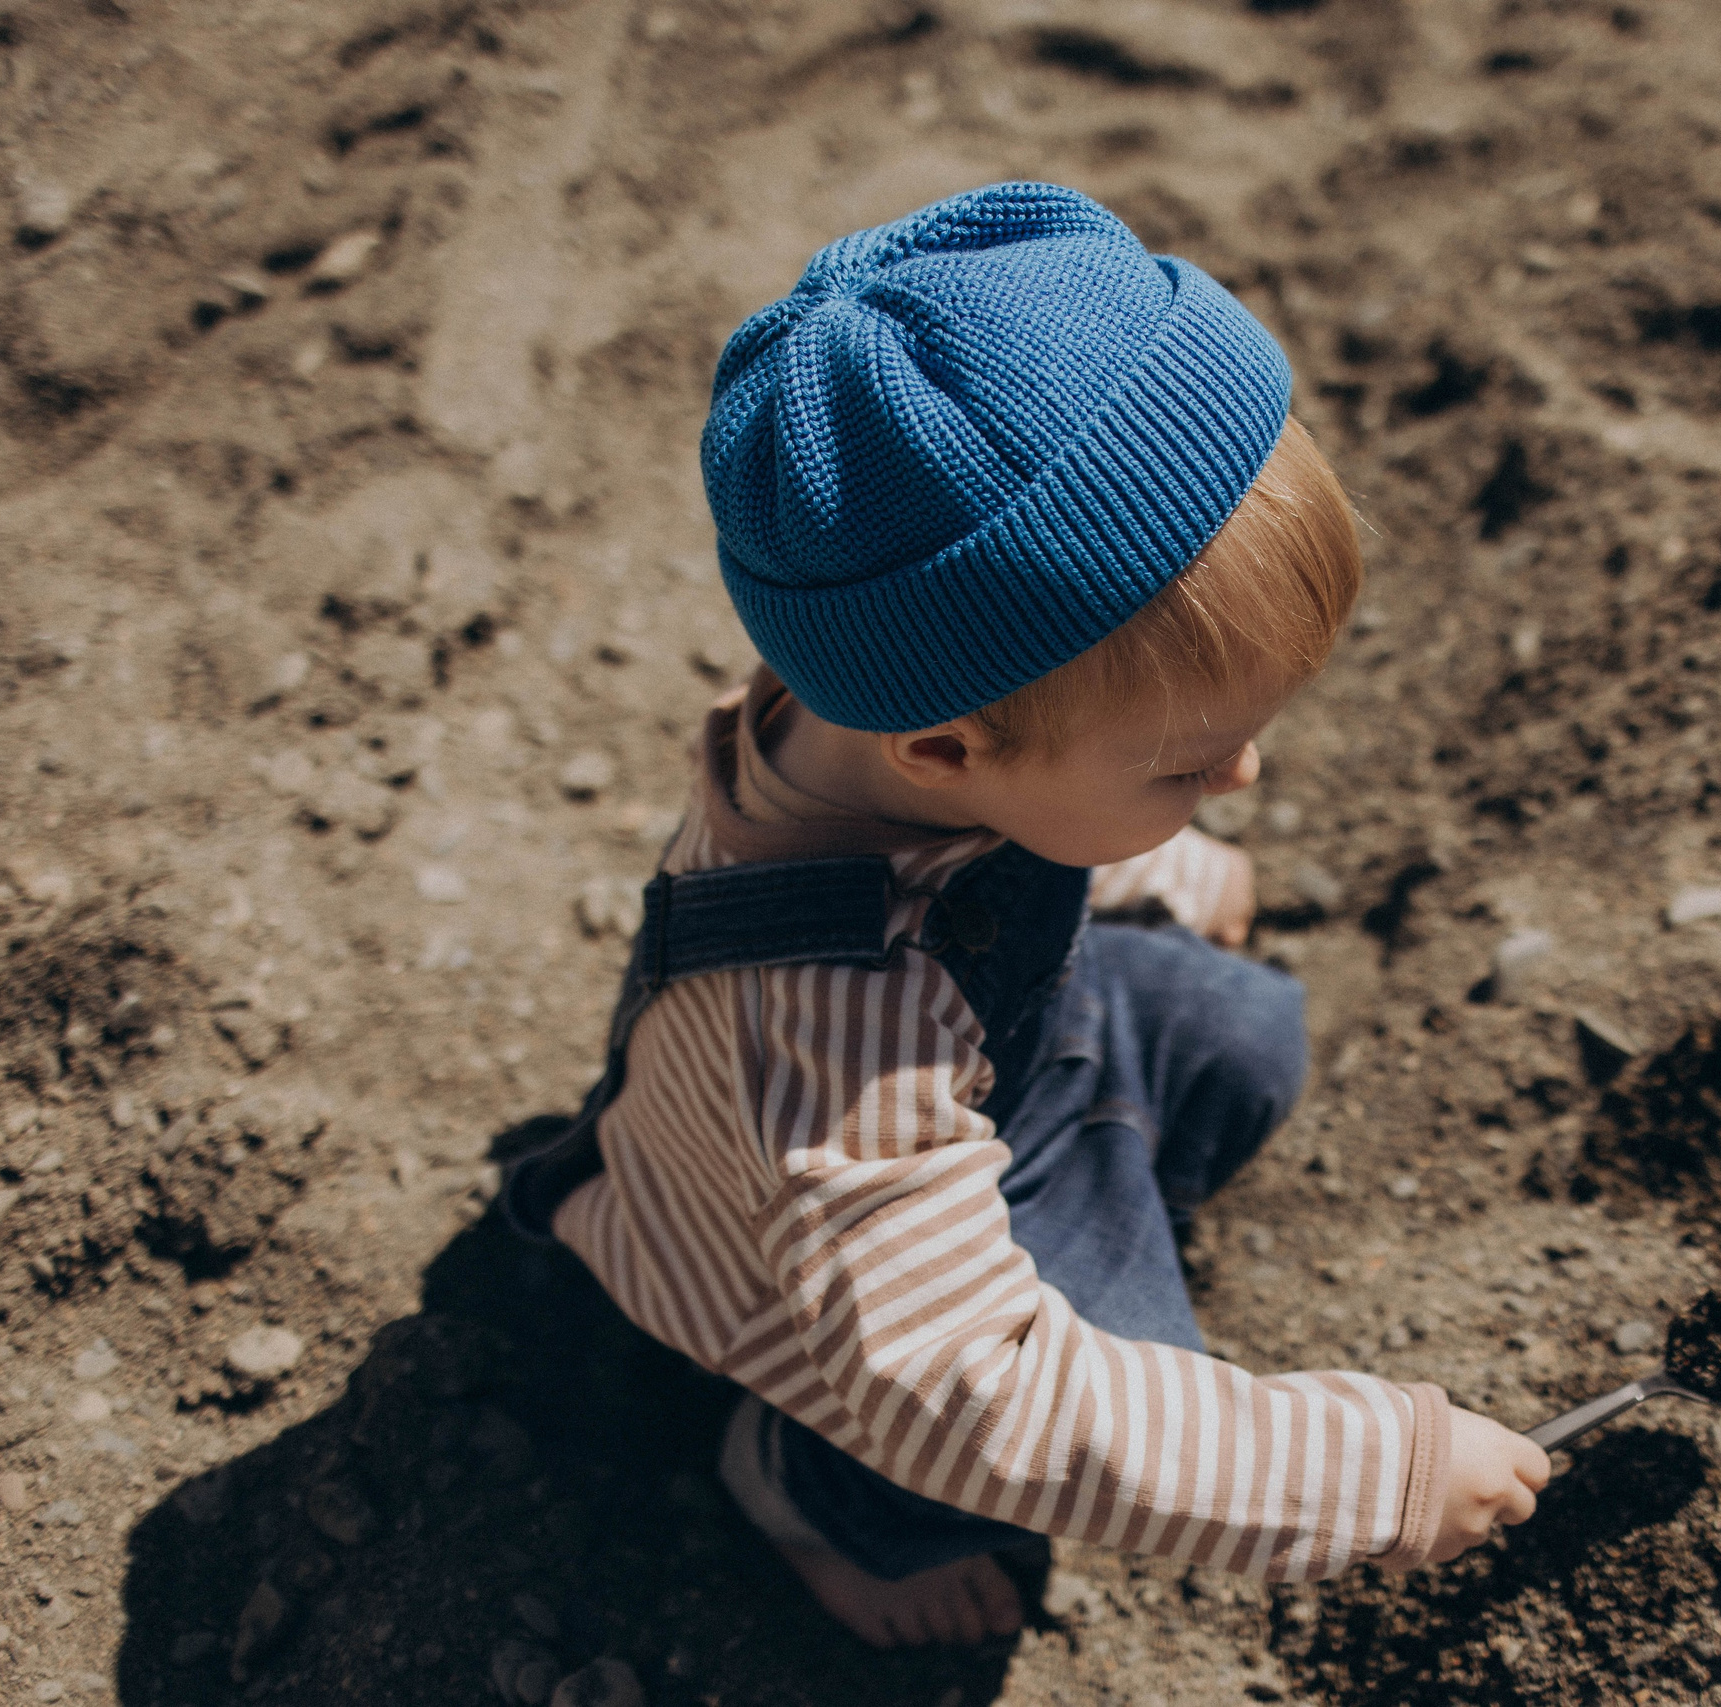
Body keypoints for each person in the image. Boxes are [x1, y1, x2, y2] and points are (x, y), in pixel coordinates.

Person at [502, 182, 1549, 1649]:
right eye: (1188, 766)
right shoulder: (830, 1050)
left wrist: (1144, 855)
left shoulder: (874, 707)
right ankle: (813, 1489)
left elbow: (1004, 838)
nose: (1244, 776)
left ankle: (1097, 1213)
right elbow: (963, 1384)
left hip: (992, 1058)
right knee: (1037, 1418)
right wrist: (1371, 1472)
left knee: (1238, 1034)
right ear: (948, 752)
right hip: (813, 1296)